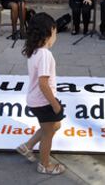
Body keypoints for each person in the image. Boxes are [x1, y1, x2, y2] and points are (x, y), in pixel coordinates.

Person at [17, 12, 65, 175]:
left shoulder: (35, 51)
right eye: (55, 32)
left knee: (53, 126)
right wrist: (55, 104)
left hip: (35, 100)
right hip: (43, 102)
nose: (56, 37)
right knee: (48, 133)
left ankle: (27, 146)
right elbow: (43, 84)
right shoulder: (45, 54)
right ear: (49, 32)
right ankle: (45, 164)